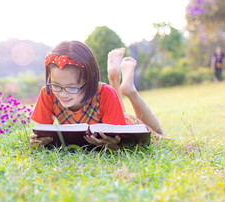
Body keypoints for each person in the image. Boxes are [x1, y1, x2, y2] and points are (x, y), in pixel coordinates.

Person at [29, 41, 163, 150]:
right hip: (111, 112)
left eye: (71, 87)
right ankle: (114, 77)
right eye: (56, 85)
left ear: (90, 81)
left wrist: (113, 145)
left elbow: (118, 139)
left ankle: (129, 90)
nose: (63, 93)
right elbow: (42, 132)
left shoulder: (105, 93)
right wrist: (37, 140)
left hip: (124, 123)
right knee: (117, 107)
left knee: (159, 135)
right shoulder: (48, 93)